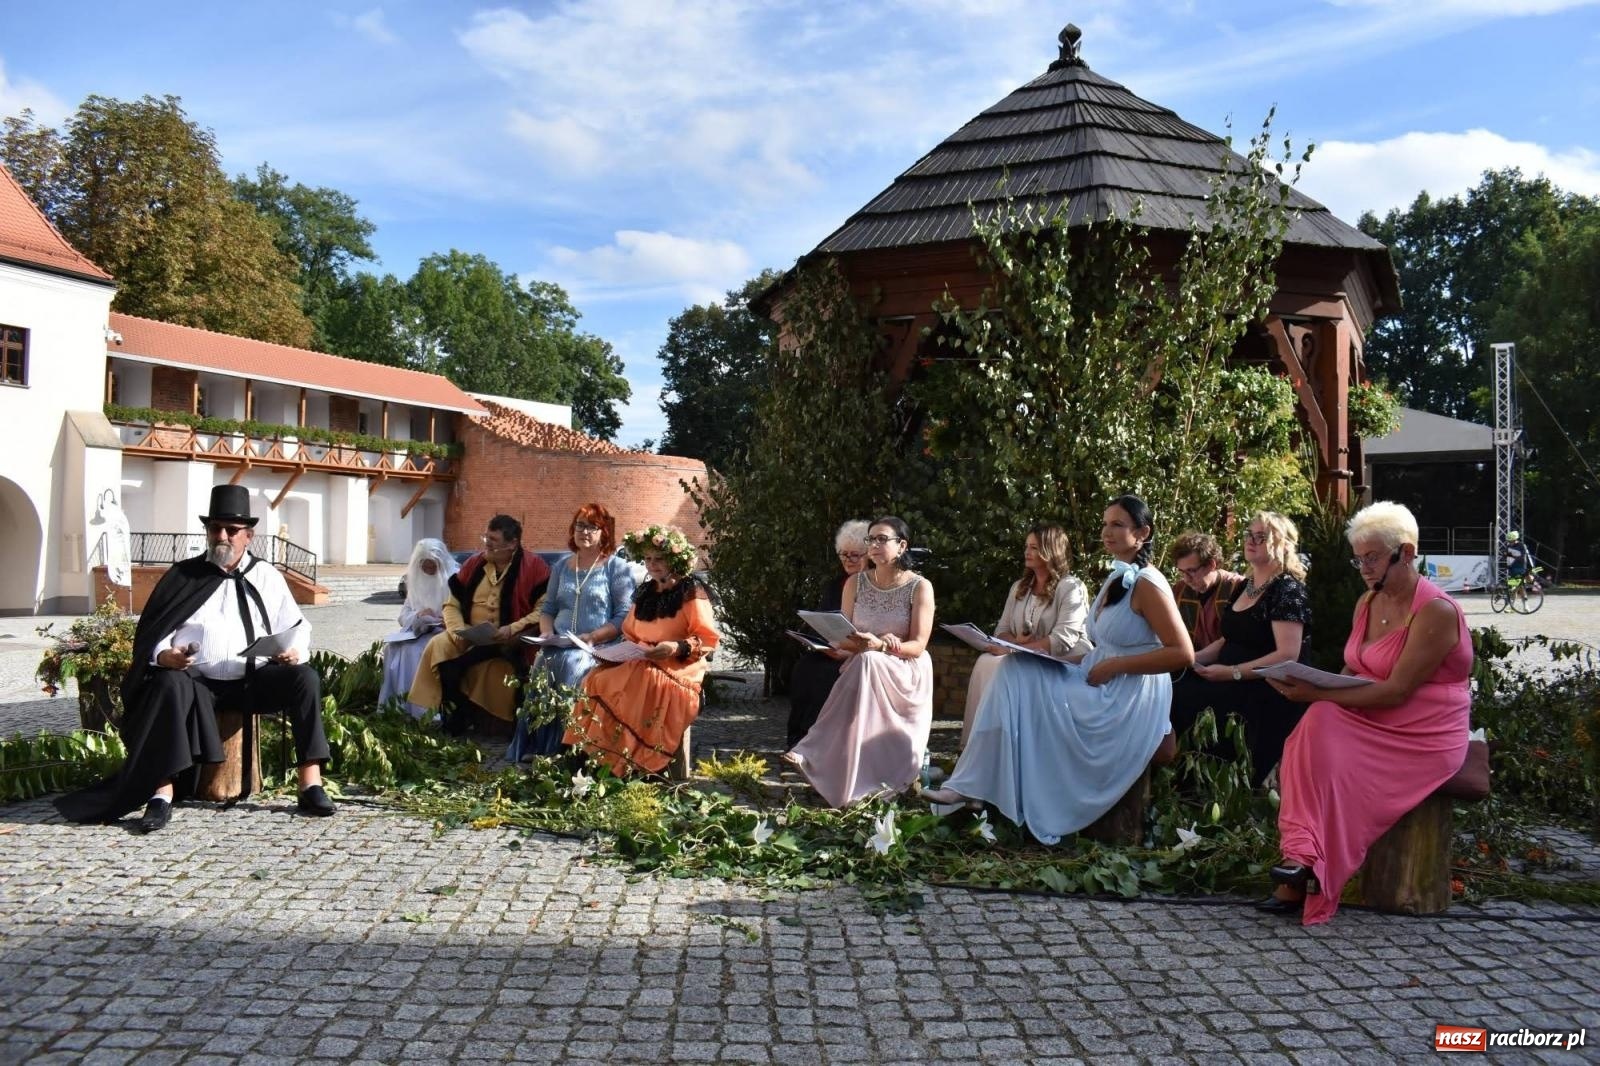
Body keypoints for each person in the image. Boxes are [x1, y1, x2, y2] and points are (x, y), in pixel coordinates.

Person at [55, 484, 333, 832]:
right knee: (167, 683)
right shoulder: (184, 576)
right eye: (215, 528)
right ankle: (162, 791)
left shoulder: (267, 577)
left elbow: (297, 626)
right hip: (196, 685)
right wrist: (164, 655)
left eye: (231, 530)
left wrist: (295, 652)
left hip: (253, 681)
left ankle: (310, 782)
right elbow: (154, 635)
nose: (222, 536)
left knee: (305, 678)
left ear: (248, 536)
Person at [923, 496, 1194, 843]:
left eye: (1117, 525)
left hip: (1128, 693)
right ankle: (971, 784)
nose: (1106, 532)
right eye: (1104, 523)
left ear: (1142, 533)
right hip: (1098, 674)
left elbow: (1183, 654)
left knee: (1018, 676)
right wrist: (1064, 663)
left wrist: (1115, 666)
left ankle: (986, 786)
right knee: (1015, 669)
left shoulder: (1148, 583)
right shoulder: (1117, 577)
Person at [1262, 501, 1472, 924]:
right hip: (1376, 714)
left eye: (1372, 558)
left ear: (1407, 553)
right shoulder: (1367, 602)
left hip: (1423, 730)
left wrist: (1317, 696)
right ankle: (1303, 857)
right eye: (1358, 559)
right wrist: (1317, 685)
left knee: (1318, 722)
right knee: (1312, 731)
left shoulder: (1436, 610)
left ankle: (1307, 866)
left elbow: (1396, 691)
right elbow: (1355, 668)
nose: (1364, 568)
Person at [784, 516, 935, 808]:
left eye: (882, 539)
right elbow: (848, 637)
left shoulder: (920, 587)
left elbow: (918, 645)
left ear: (902, 546)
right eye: (871, 539)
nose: (875, 545)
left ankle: (814, 748)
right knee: (824, 666)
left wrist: (881, 646)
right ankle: (823, 758)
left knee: (868, 662)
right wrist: (827, 645)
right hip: (862, 663)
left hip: (904, 668)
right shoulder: (855, 583)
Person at [1168, 512, 1311, 784]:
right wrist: (1190, 659)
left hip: (1263, 690)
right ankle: (1178, 784)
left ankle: (1203, 787)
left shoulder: (1287, 590)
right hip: (1229, 679)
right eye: (1249, 535)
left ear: (1281, 543)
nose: (1251, 541)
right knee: (1169, 685)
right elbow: (1227, 639)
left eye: (1261, 537)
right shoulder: (1246, 586)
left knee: (1184, 698)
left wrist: (1231, 672)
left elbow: (1287, 655)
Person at [564, 525, 717, 776]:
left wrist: (675, 646)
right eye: (647, 559)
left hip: (678, 667)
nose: (652, 564)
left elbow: (707, 639)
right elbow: (631, 632)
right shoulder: (647, 590)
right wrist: (617, 652)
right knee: (595, 678)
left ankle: (628, 764)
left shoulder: (691, 592)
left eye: (659, 559)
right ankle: (592, 757)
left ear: (674, 559)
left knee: (640, 681)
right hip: (642, 659)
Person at [506, 504, 637, 762]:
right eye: (580, 525)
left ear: (605, 532)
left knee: (572, 663)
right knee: (544, 660)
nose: (584, 531)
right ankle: (536, 744)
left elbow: (623, 616)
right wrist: (545, 634)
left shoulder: (616, 567)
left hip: (597, 645)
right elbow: (548, 608)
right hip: (559, 641)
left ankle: (561, 748)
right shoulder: (561, 566)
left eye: (591, 526)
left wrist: (592, 637)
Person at [408, 515, 551, 737]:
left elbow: (543, 609)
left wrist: (512, 628)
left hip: (508, 640)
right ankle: (452, 715)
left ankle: (459, 720)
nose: (486, 543)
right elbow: (451, 603)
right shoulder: (474, 563)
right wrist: (458, 631)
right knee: (438, 646)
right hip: (470, 634)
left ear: (512, 544)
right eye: (486, 537)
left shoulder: (534, 567)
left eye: (493, 539)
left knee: (454, 666)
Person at [959, 523, 1091, 748]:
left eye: (1035, 547)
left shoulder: (1071, 587)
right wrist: (1011, 643)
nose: (1027, 552)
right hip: (1024, 654)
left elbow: (1063, 639)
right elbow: (1002, 629)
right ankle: (983, 744)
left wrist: (1013, 650)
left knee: (1005, 665)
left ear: (1052, 551)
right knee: (985, 662)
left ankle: (1012, 742)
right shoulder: (1020, 587)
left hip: (1064, 658)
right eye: (1026, 546)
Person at [785, 519, 872, 749]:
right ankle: (797, 739)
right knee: (804, 667)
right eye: (843, 555)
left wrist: (846, 650)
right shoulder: (835, 584)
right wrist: (823, 643)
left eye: (854, 555)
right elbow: (827, 619)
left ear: (869, 555)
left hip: (860, 653)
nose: (848, 560)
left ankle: (819, 744)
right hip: (834, 648)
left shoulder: (873, 585)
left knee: (826, 676)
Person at [379, 539, 459, 719]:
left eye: (433, 567)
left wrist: (447, 620)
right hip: (420, 630)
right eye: (425, 567)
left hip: (446, 632)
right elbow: (404, 614)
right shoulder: (416, 581)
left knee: (414, 651)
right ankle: (399, 706)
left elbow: (464, 610)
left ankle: (422, 710)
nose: (429, 570)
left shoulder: (454, 578)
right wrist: (418, 616)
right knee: (393, 649)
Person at [1170, 530, 1245, 654]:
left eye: (1192, 571)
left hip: (1229, 666)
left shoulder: (1238, 587)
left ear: (1211, 564)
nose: (1186, 579)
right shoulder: (1179, 590)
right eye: (1182, 572)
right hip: (1189, 666)